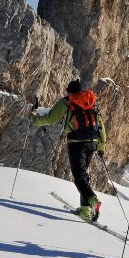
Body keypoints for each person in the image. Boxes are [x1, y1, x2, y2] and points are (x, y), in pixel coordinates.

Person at [31, 79, 106, 221]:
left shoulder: (67, 102)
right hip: (93, 143)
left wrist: (34, 119)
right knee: (84, 174)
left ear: (69, 92)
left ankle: (93, 200)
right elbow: (100, 125)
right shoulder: (91, 101)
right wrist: (102, 146)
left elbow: (50, 119)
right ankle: (85, 208)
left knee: (79, 176)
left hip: (76, 142)